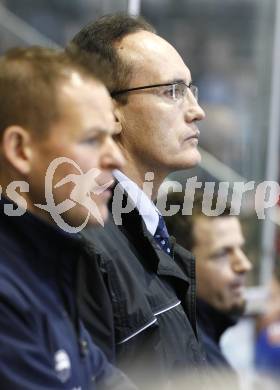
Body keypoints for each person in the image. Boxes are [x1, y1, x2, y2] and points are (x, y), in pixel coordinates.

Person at [68, 14, 207, 387]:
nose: (197, 110)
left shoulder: (143, 233)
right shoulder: (86, 242)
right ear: (109, 109)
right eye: (172, 91)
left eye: (191, 89)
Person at [0, 46, 136, 389]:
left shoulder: (45, 261)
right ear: (19, 150)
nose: (115, 159)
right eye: (92, 139)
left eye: (112, 136)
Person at [164, 191, 252, 372]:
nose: (244, 265)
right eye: (222, 254)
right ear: (180, 264)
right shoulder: (190, 362)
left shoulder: (205, 344)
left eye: (240, 249)